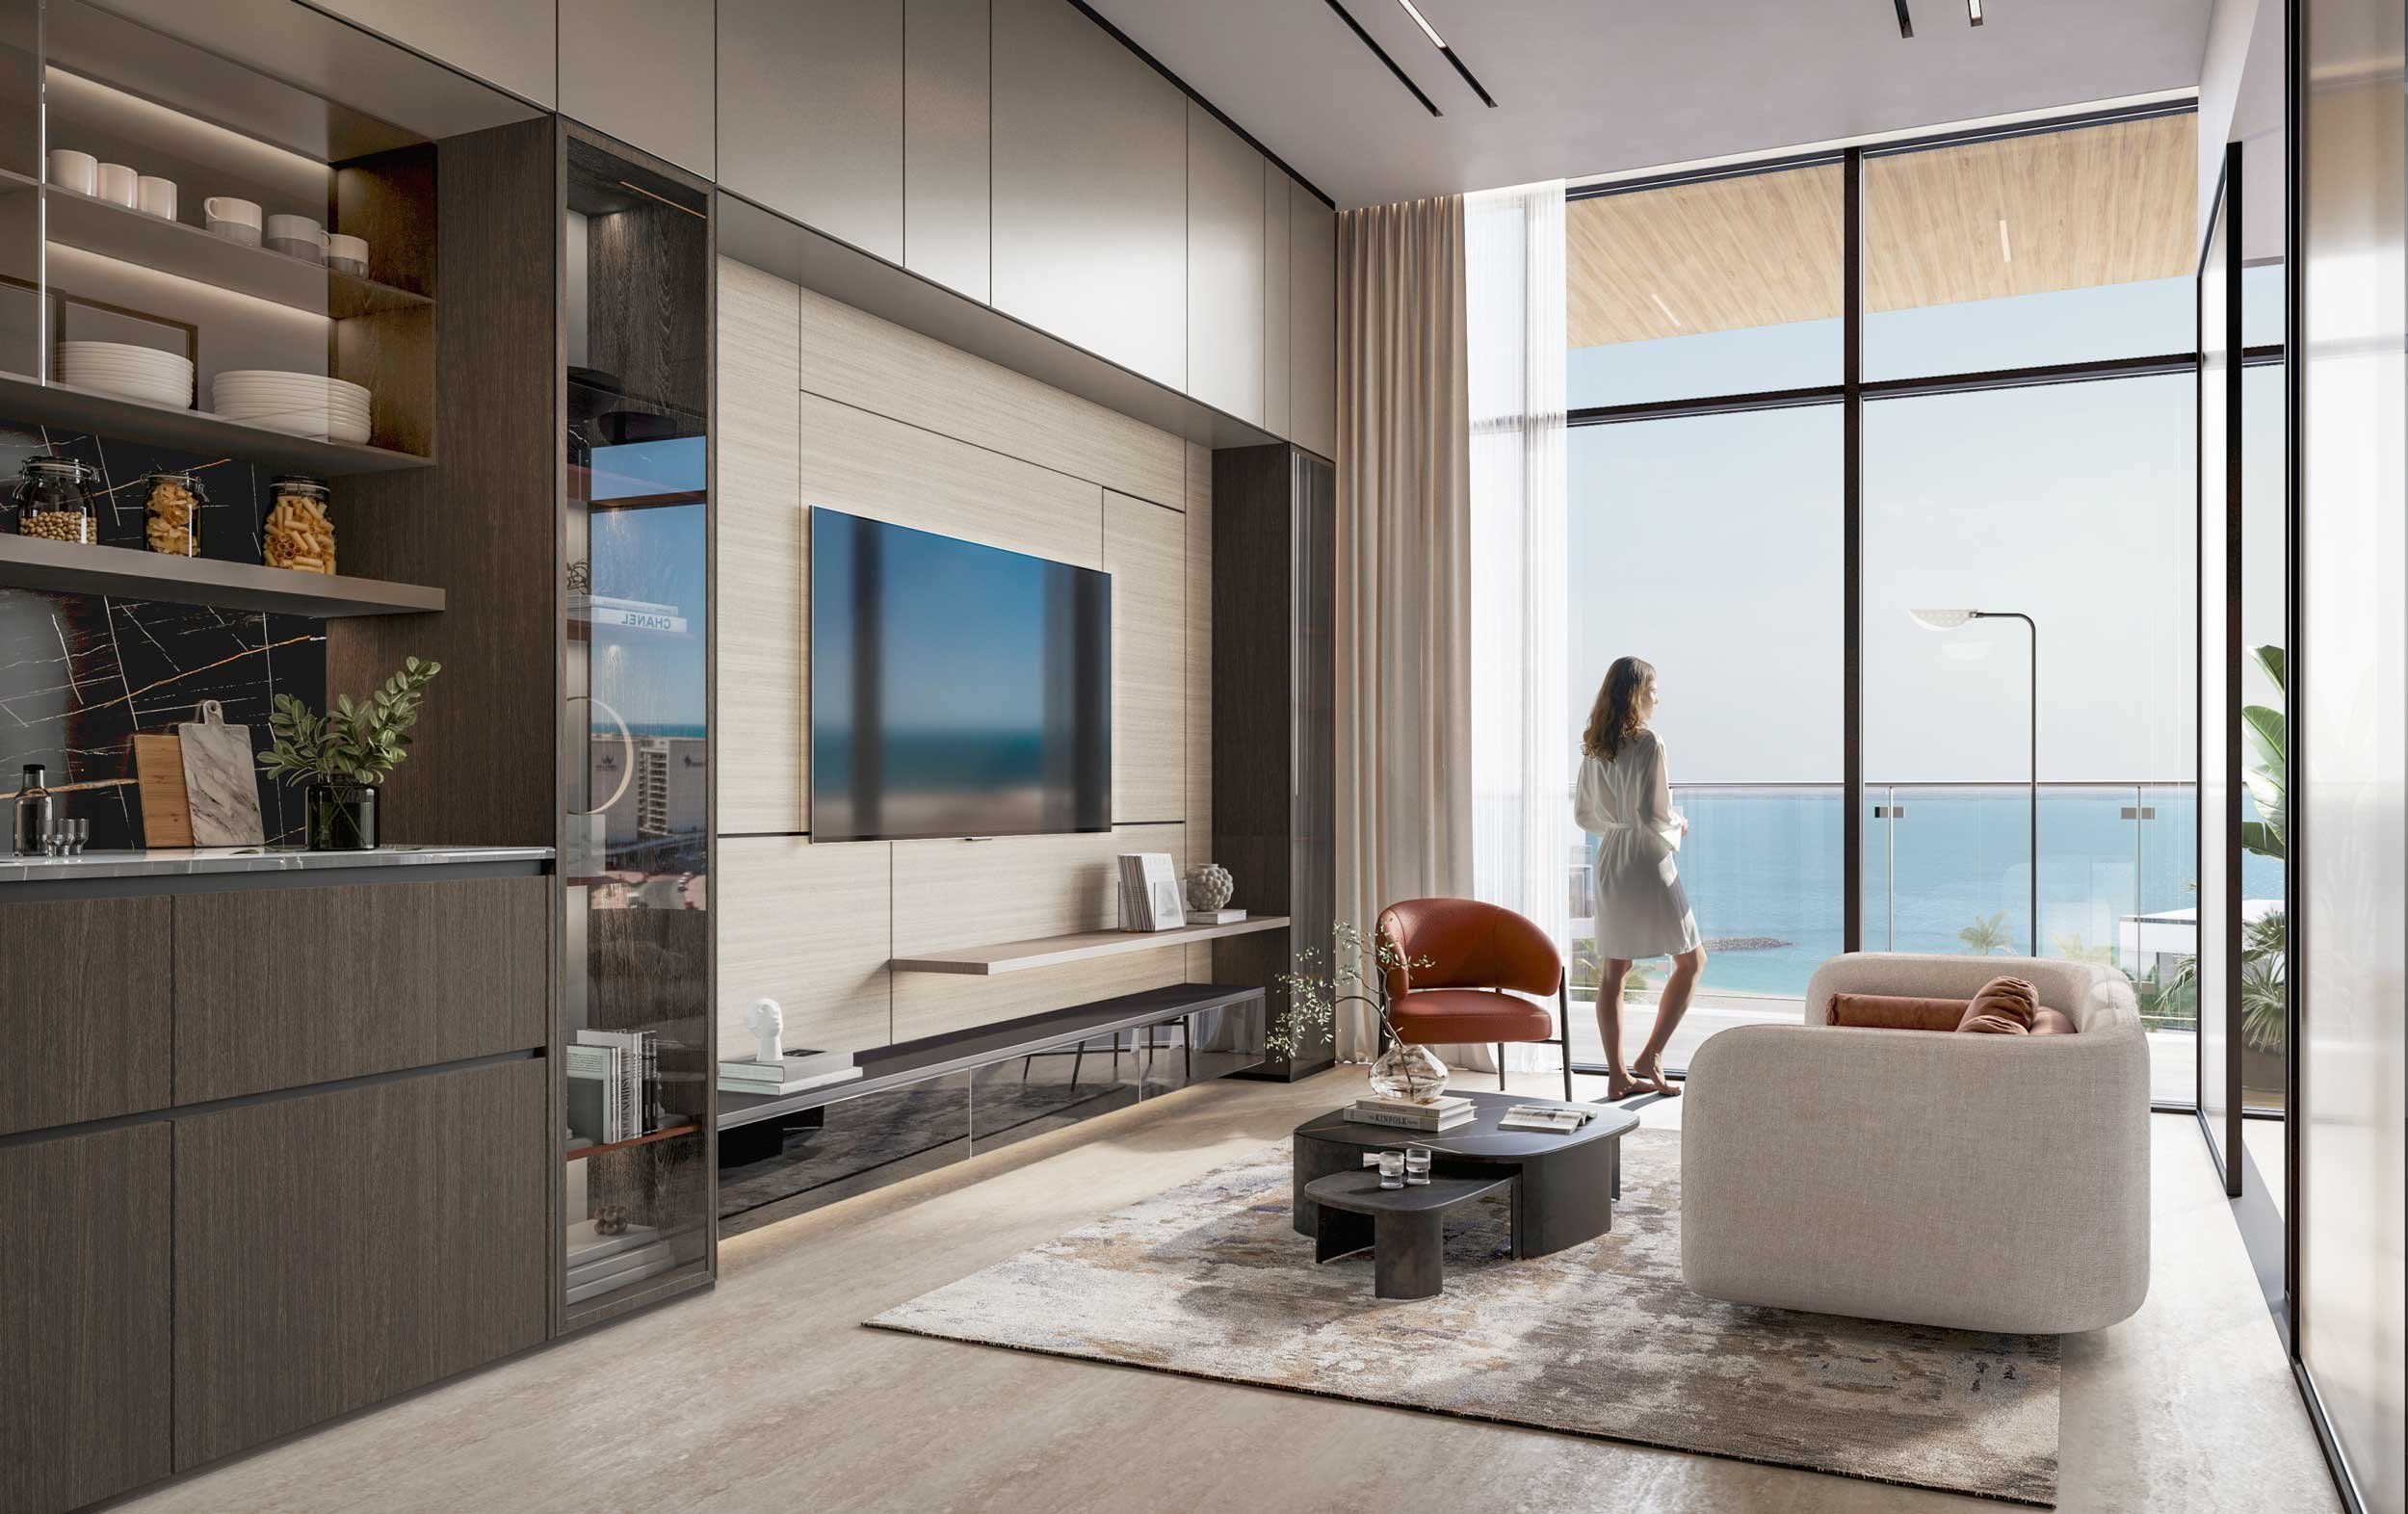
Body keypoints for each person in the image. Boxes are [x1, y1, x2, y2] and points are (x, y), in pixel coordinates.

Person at [1574, 656, 1706, 1099]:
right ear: (1636, 693)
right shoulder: (1649, 742)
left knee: (1615, 969)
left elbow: (1583, 815)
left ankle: (1616, 1076)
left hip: (1611, 856)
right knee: (1692, 960)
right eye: (1653, 688)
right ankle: (1650, 1054)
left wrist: (1616, 830)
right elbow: (1655, 813)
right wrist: (1679, 825)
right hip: (1647, 860)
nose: (1657, 696)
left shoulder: (1594, 745)